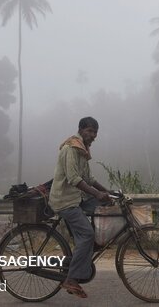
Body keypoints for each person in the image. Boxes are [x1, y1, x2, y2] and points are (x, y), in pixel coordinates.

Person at [48, 116, 111, 299]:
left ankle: (90, 247)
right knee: (87, 234)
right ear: (81, 130)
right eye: (90, 131)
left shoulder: (83, 149)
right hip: (65, 200)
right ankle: (71, 279)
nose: (93, 135)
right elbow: (74, 179)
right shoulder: (71, 148)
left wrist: (108, 193)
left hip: (78, 198)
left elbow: (89, 179)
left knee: (104, 205)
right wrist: (96, 194)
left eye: (95, 132)